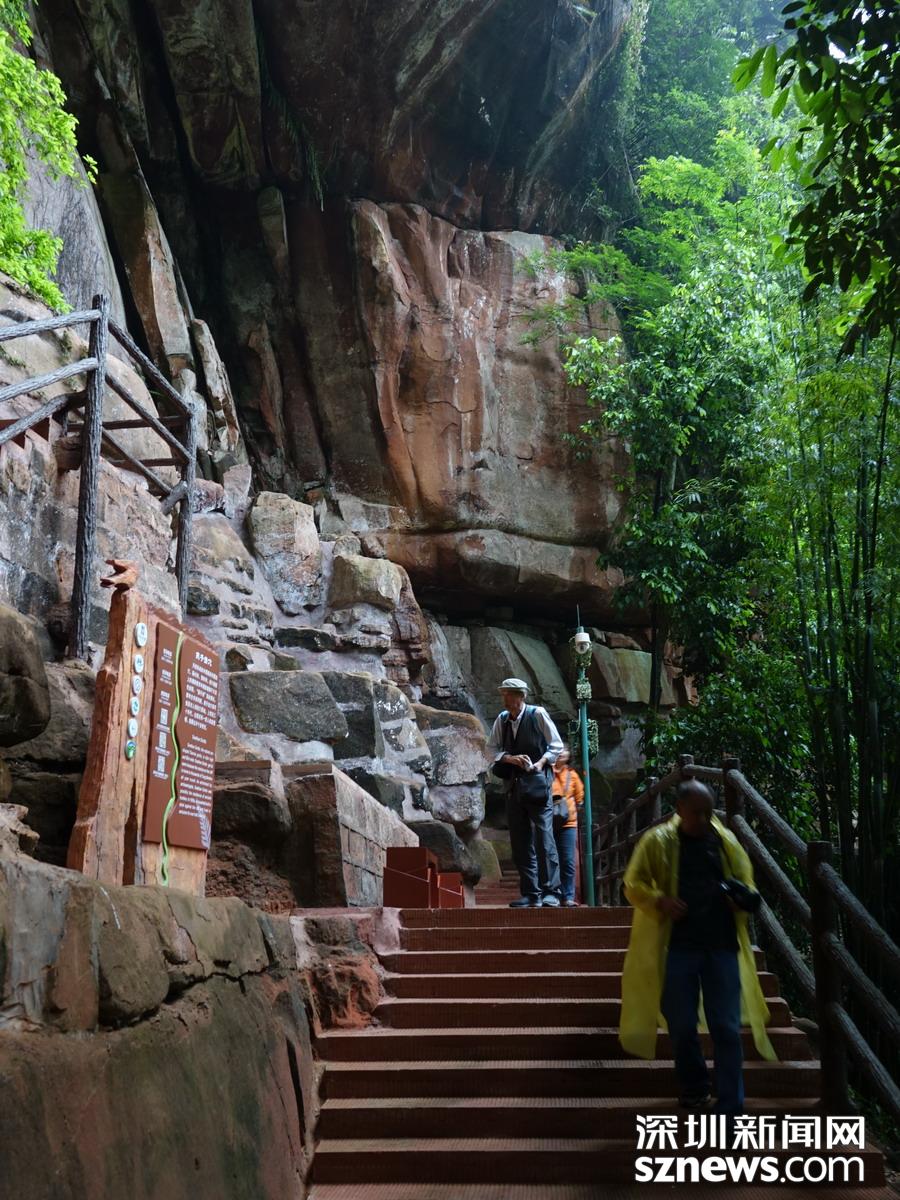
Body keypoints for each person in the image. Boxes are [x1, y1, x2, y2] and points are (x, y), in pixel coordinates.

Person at [618, 777, 776, 1115]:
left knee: (726, 1028)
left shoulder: (725, 840)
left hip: (721, 945)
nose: (704, 819)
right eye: (697, 813)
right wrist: (660, 900)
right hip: (679, 947)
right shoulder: (658, 841)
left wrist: (740, 899)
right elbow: (633, 882)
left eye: (709, 812)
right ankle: (694, 1086)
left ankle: (731, 1106)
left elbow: (747, 883)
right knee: (681, 1024)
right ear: (679, 809)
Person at [487, 678, 563, 908]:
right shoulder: (502, 719)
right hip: (514, 787)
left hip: (538, 785)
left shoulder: (537, 714)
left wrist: (540, 763)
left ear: (521, 696)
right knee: (520, 841)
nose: (505, 699)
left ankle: (551, 891)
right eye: (503, 694)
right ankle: (531, 893)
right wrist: (510, 759)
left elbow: (556, 745)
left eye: (509, 694)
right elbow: (490, 750)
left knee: (544, 837)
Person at [552, 746, 584, 907]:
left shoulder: (572, 775)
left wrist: (570, 811)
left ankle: (568, 896)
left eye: (564, 751)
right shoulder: (547, 772)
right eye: (559, 751)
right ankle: (552, 895)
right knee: (551, 859)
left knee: (567, 860)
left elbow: (580, 798)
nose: (561, 753)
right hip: (548, 822)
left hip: (568, 823)